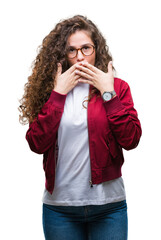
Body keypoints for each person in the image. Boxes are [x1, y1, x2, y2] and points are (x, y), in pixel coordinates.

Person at [19, 15, 142, 240]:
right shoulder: (51, 90)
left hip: (109, 207)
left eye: (86, 48)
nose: (80, 58)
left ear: (97, 50)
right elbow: (36, 143)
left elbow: (131, 139)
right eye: (72, 50)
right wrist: (57, 95)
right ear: (62, 55)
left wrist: (108, 93)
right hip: (60, 209)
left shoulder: (117, 88)